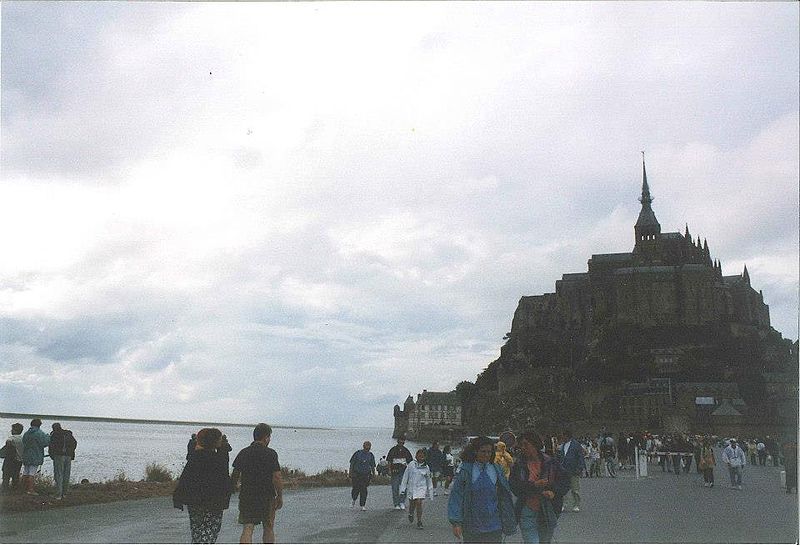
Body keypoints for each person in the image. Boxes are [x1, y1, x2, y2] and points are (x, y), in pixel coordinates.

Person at [448, 436, 517, 543]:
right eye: (483, 451)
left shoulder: (496, 469)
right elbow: (457, 495)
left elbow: (504, 496)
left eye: (489, 452)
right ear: (475, 451)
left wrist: (509, 521)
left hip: (495, 525)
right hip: (472, 526)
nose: (486, 455)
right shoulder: (466, 470)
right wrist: (456, 522)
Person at [173, 428, 231, 544]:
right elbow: (225, 481)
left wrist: (178, 496)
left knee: (197, 530)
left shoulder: (195, 457)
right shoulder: (219, 459)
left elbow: (185, 478)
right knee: (210, 531)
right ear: (214, 442)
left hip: (195, 501)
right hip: (213, 502)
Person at [231, 423, 283, 544]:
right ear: (265, 437)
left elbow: (235, 473)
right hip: (267, 495)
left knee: (248, 527)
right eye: (269, 437)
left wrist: (233, 487)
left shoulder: (244, 452)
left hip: (247, 495)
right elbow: (277, 476)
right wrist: (279, 496)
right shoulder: (271, 453)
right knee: (268, 526)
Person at [510, 430, 562, 543]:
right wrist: (534, 485)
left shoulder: (551, 462)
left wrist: (553, 492)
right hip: (527, 509)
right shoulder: (519, 465)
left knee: (545, 541)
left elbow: (563, 482)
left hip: (547, 509)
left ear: (535, 445)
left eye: (526, 444)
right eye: (521, 445)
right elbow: (515, 487)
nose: (522, 448)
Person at [400, 448, 433, 529]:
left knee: (419, 502)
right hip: (412, 487)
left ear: (425, 457)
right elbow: (405, 477)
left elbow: (429, 479)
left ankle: (419, 521)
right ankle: (411, 513)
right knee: (412, 504)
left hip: (421, 488)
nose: (421, 456)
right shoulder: (411, 464)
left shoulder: (426, 467)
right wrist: (402, 489)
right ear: (416, 456)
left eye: (423, 455)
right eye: (419, 455)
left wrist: (430, 492)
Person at [557, 428, 585, 513]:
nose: (562, 437)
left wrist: (580, 468)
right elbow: (559, 457)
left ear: (567, 436)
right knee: (563, 488)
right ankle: (563, 504)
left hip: (573, 470)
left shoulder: (576, 445)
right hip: (563, 470)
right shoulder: (562, 445)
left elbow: (580, 457)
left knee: (575, 488)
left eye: (564, 436)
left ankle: (576, 504)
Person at [48, 423, 77, 500]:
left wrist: (52, 455)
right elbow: (74, 444)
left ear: (53, 428)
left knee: (59, 475)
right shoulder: (68, 434)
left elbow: (51, 446)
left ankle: (58, 494)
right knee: (66, 475)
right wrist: (71, 453)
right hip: (68, 456)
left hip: (59, 456)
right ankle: (65, 493)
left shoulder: (54, 434)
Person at [21, 419, 50, 495]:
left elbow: (23, 442)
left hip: (26, 455)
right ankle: (30, 490)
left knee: (25, 472)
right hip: (35, 455)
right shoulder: (39, 433)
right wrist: (48, 437)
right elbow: (45, 443)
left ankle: (23, 488)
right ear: (39, 425)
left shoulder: (26, 433)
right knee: (32, 473)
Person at [387, 436, 413, 510]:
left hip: (404, 472)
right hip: (394, 471)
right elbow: (389, 461)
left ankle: (402, 502)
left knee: (403, 488)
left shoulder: (406, 450)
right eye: (400, 441)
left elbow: (410, 462)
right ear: (398, 441)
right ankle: (396, 504)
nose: (401, 443)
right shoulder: (393, 450)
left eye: (403, 442)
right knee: (395, 488)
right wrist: (389, 470)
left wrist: (410, 472)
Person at [349, 441, 376, 510]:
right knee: (356, 488)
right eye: (366, 447)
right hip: (356, 474)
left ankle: (362, 505)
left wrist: (373, 474)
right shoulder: (357, 453)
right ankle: (353, 499)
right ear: (363, 446)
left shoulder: (370, 455)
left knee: (364, 490)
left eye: (369, 447)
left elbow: (372, 465)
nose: (368, 449)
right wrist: (350, 473)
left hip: (366, 475)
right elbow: (352, 463)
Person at [2, 423, 24, 491]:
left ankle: (5, 490)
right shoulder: (23, 439)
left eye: (12, 429)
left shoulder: (10, 439)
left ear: (14, 430)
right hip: (19, 460)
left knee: (6, 476)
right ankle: (15, 490)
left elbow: (7, 450)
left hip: (10, 460)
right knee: (15, 476)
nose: (11, 431)